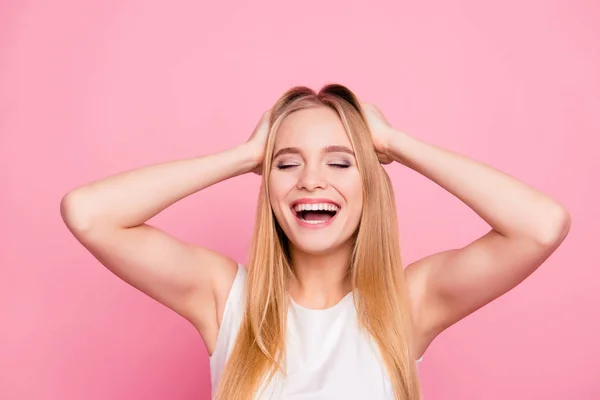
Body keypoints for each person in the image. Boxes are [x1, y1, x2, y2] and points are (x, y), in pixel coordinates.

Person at [60, 84, 571, 400]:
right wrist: (243, 155)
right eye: (286, 163)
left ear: (369, 183)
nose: (310, 180)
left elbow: (541, 225)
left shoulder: (408, 302)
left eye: (340, 161)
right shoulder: (224, 297)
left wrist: (395, 143)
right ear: (268, 185)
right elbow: (88, 214)